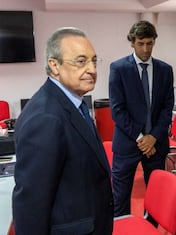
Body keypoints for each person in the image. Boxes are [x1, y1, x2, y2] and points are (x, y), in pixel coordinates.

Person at [12, 27, 113, 234]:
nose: (92, 69)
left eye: (94, 61)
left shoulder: (73, 102)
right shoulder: (46, 118)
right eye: (81, 61)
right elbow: (31, 205)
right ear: (54, 66)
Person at [109, 20, 174, 218]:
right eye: (141, 43)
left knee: (156, 198)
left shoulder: (165, 69)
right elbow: (117, 110)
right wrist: (141, 138)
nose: (146, 49)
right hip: (128, 143)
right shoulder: (118, 68)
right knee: (120, 199)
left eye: (150, 43)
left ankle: (150, 230)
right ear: (132, 42)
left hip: (156, 144)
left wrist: (153, 137)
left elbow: (167, 107)